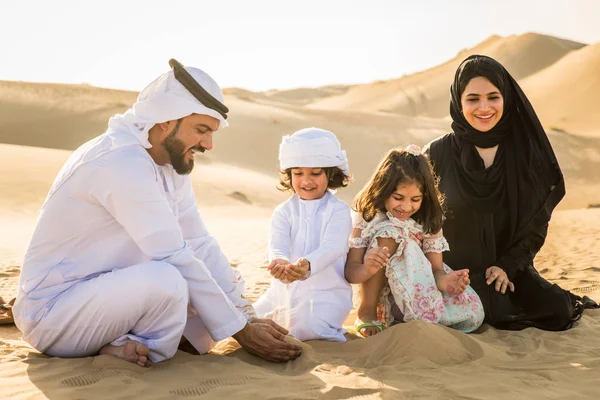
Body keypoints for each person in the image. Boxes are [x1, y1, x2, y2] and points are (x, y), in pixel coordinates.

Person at [12, 59, 302, 366]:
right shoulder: (119, 160)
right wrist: (241, 332)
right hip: (55, 313)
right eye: (201, 130)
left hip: (112, 295)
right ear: (165, 121)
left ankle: (120, 345)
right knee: (170, 280)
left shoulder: (168, 163)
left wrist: (246, 317)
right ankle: (132, 347)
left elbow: (198, 241)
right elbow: (172, 253)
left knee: (218, 298)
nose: (209, 144)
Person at [424, 54, 598, 331]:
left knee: (557, 309)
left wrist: (507, 265)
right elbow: (417, 220)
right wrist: (437, 273)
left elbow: (536, 223)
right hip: (454, 273)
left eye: (493, 97)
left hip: (507, 270)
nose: (484, 107)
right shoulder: (437, 153)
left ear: (506, 98)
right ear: (459, 102)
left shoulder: (524, 153)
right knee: (491, 307)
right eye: (472, 99)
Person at [345, 145, 484, 337]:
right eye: (398, 197)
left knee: (474, 312)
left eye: (415, 199)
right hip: (382, 298)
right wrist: (367, 268)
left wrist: (444, 281)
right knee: (391, 231)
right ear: (382, 189)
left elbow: (436, 270)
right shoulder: (367, 217)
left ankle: (415, 318)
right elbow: (351, 272)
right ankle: (366, 312)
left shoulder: (428, 221)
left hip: (416, 294)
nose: (406, 206)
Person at [254, 128, 353, 342]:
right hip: (283, 292)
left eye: (315, 173)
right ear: (289, 175)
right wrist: (279, 262)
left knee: (309, 327)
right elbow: (277, 243)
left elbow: (333, 247)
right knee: (249, 320)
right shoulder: (283, 211)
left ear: (331, 174)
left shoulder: (339, 210)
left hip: (327, 295)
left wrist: (306, 265)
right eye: (298, 173)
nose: (306, 181)